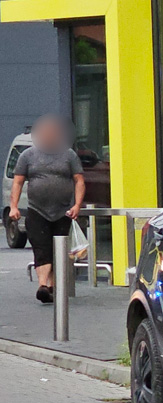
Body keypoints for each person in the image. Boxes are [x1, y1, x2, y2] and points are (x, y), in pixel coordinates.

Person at [8, 114, 85, 303]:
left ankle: (52, 287)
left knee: (58, 250)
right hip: (37, 210)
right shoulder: (28, 155)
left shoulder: (69, 155)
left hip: (63, 211)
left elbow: (79, 180)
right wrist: (14, 207)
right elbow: (17, 182)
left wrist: (77, 205)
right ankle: (43, 285)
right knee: (41, 248)